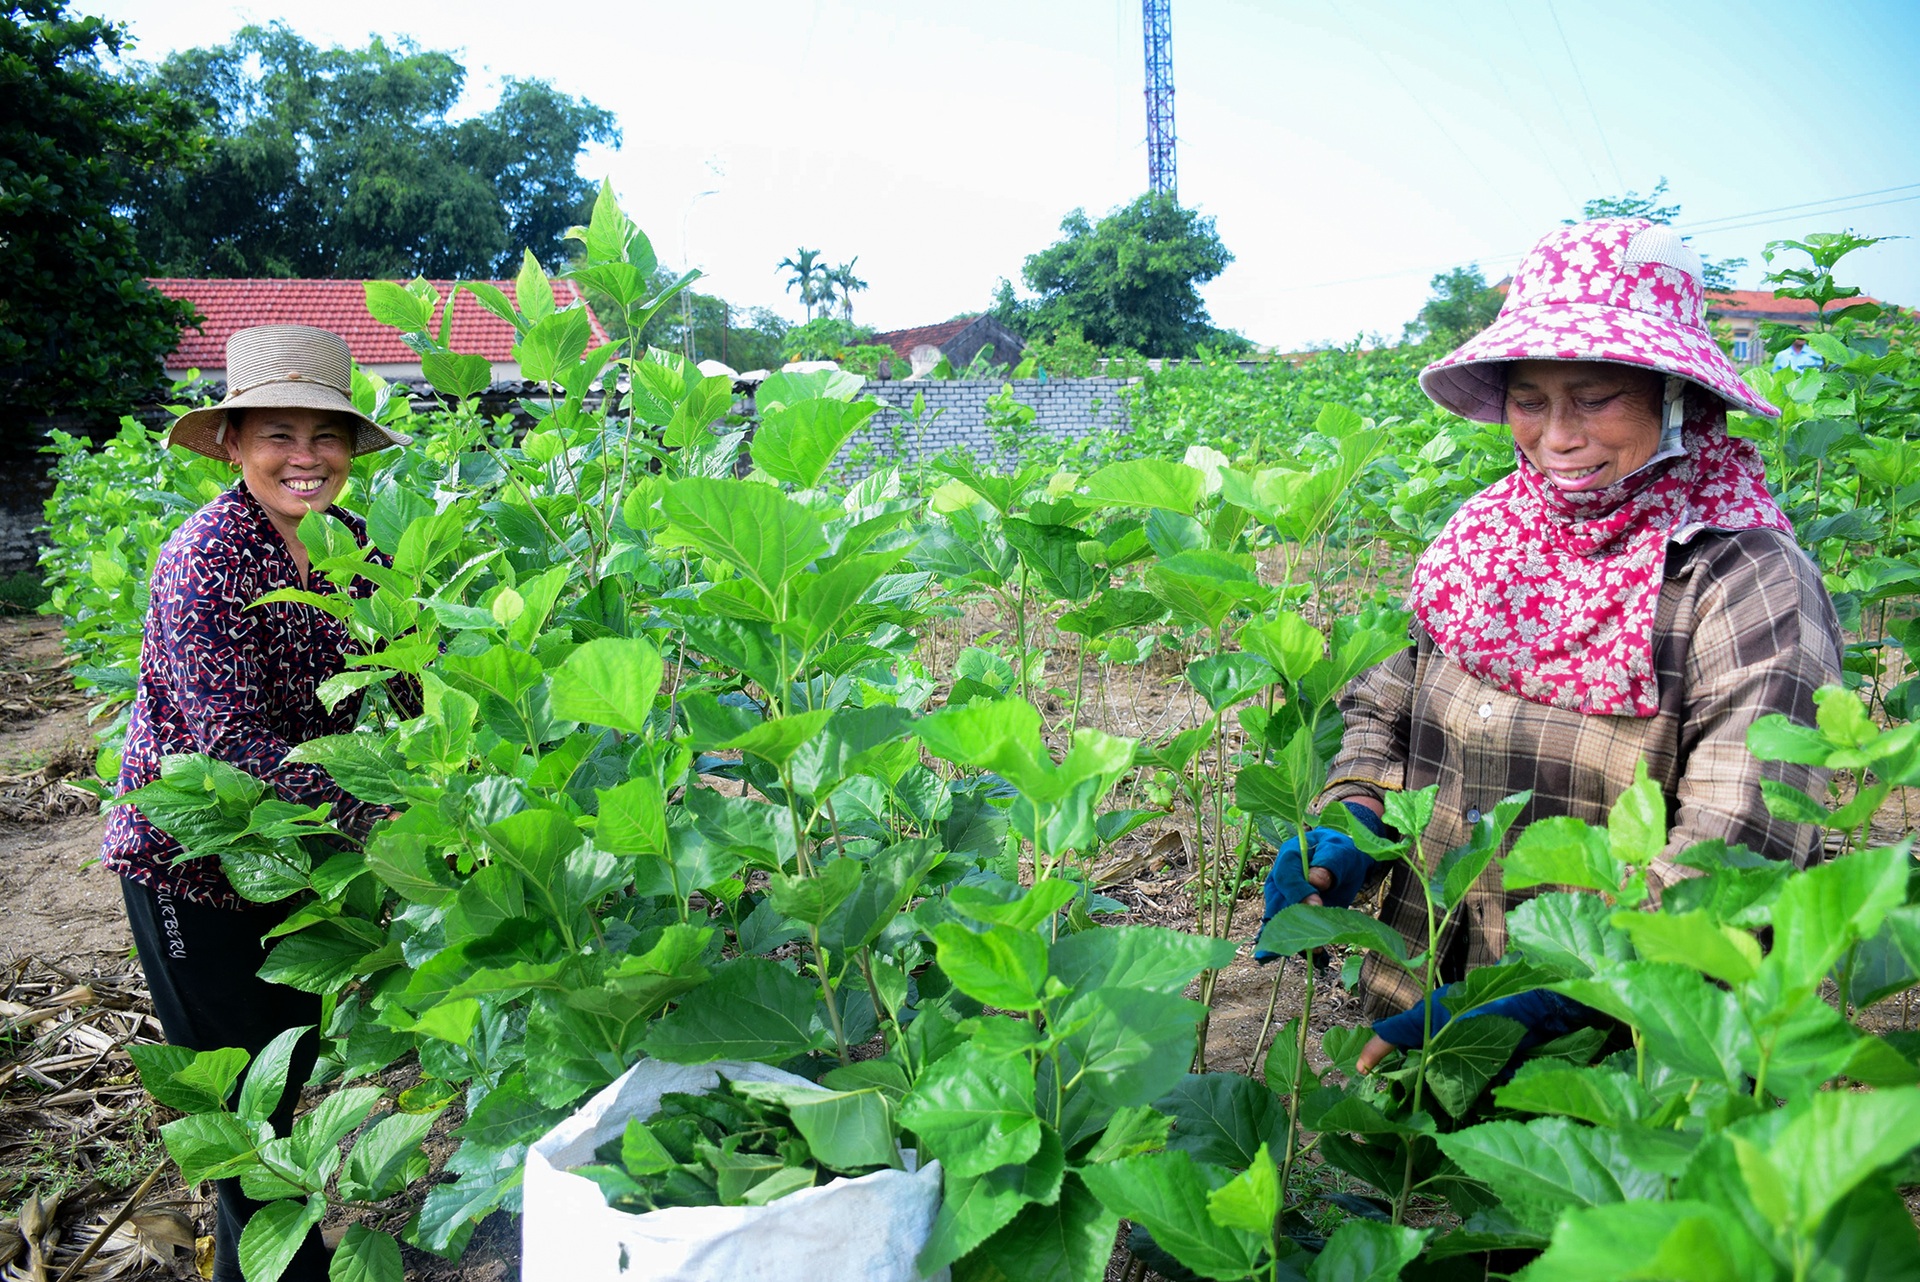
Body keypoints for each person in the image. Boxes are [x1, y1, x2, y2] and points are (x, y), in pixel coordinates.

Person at [1258, 219, 1841, 1074]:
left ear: (1677, 395)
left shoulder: (1743, 579)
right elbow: (1395, 692)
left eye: (1596, 398)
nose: (1558, 436)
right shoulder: (1489, 535)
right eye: (1530, 400)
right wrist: (1356, 812)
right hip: (1422, 1001)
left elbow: (1739, 841)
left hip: (1630, 1043)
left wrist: (1556, 985)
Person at [103, 325, 411, 1282]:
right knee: (242, 1121)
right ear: (234, 445)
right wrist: (388, 821)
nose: (306, 459)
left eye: (326, 437)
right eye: (279, 434)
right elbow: (232, 746)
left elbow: (400, 676)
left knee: (285, 1081)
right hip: (191, 866)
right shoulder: (205, 562)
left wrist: (462, 749)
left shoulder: (353, 546)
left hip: (302, 860)